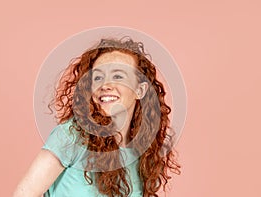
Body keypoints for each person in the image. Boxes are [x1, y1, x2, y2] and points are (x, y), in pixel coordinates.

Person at [13, 37, 181, 197]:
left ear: (140, 90)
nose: (105, 85)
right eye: (98, 77)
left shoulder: (142, 151)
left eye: (118, 76)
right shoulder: (71, 137)